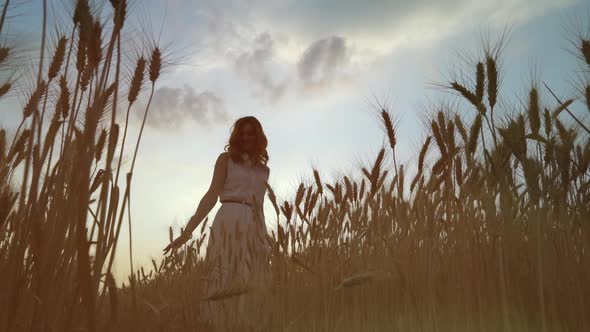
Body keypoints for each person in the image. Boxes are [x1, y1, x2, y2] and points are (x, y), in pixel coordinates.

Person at [163, 116, 272, 331]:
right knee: (221, 273)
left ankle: (243, 324)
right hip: (228, 218)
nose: (246, 137)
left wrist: (265, 240)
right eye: (242, 133)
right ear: (237, 136)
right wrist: (188, 232)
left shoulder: (264, 170)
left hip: (252, 223)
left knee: (249, 275)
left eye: (251, 133)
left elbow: (259, 207)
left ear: (258, 136)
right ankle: (215, 324)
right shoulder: (226, 159)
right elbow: (212, 195)